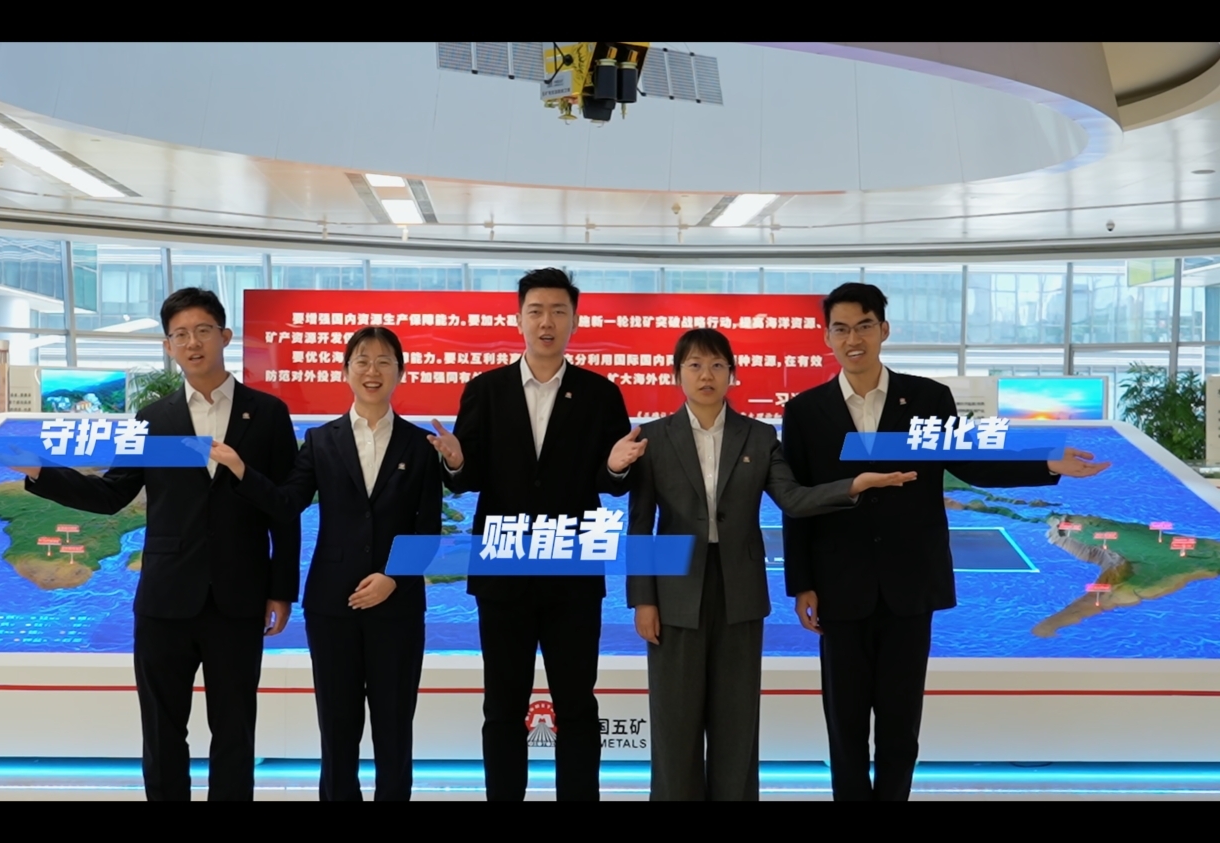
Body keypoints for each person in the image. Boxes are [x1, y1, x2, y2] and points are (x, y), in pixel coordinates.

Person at [781, 282, 1109, 801]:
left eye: (864, 326)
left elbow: (971, 462)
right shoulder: (804, 411)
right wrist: (802, 583)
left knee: (900, 722)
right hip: (839, 585)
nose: (853, 339)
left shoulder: (926, 398)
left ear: (884, 330)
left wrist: (1046, 462)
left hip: (910, 584)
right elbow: (797, 500)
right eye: (841, 329)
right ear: (827, 337)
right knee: (844, 724)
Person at [16, 288, 301, 801]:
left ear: (225, 337)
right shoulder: (153, 419)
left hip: (239, 598)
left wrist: (281, 589)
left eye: (203, 331)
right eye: (180, 335)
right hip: (166, 600)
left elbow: (283, 508)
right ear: (168, 347)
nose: (193, 343)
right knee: (162, 731)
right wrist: (41, 472)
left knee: (235, 731)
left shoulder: (268, 414)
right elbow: (112, 494)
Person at [626, 328, 917, 801]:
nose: (706, 375)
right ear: (677, 374)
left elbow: (793, 498)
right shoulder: (653, 438)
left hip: (741, 592)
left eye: (717, 365)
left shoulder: (759, 437)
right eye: (695, 365)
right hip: (675, 592)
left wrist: (852, 486)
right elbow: (641, 522)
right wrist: (643, 599)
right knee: (674, 724)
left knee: (737, 724)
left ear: (732, 374)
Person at [425, 268, 646, 801]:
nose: (547, 322)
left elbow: (613, 484)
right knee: (503, 705)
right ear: (519, 318)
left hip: (573, 573)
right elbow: (468, 477)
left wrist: (616, 467)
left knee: (577, 705)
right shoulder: (486, 390)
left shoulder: (600, 394)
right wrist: (455, 463)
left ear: (574, 319)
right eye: (536, 311)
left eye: (558, 311)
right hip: (503, 572)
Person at [211, 327, 441, 801]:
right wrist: (241, 471)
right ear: (345, 371)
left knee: (395, 726)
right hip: (332, 606)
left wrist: (393, 578)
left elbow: (429, 529)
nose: (372, 371)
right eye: (362, 361)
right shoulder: (320, 440)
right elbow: (287, 502)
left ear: (400, 371)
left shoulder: (421, 444)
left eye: (384, 361)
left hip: (397, 609)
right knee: (337, 728)